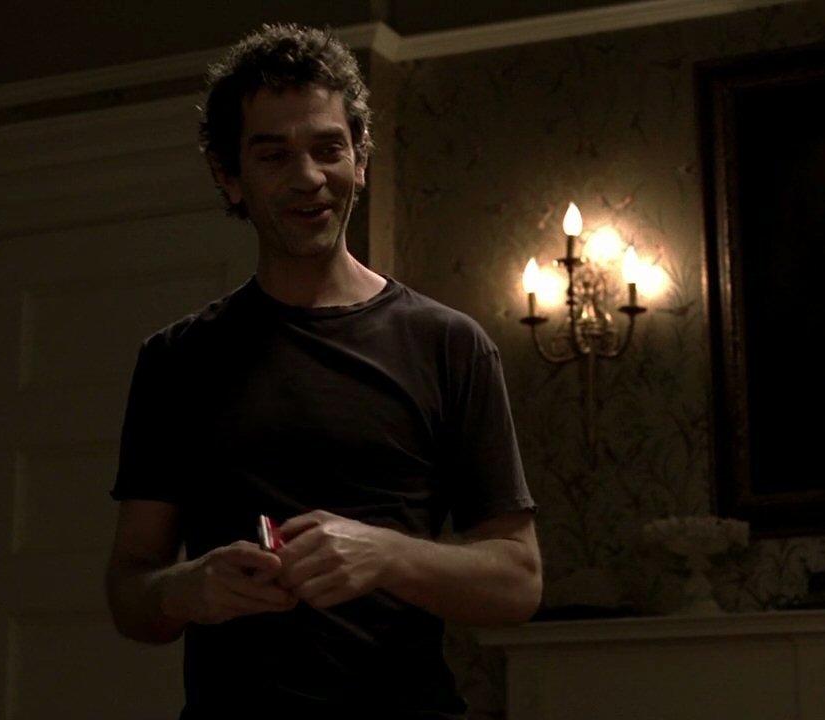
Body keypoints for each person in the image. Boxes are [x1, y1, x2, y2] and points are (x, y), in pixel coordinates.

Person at [104, 23, 541, 719]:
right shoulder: (176, 360)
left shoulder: (450, 345)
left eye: (328, 148)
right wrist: (188, 588)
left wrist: (386, 556)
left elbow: (518, 581)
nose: (308, 178)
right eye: (273, 155)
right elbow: (131, 593)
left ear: (360, 160)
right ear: (229, 176)